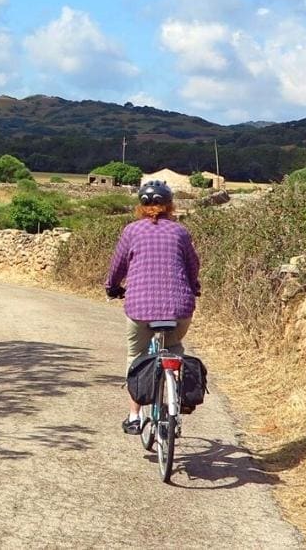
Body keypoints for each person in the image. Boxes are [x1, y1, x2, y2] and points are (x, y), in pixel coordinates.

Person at [105, 179, 201, 435]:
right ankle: (176, 400)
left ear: (141, 206)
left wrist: (111, 287)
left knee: (136, 357)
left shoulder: (132, 231)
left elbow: (117, 267)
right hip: (179, 308)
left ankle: (134, 416)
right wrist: (193, 287)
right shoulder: (180, 232)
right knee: (174, 349)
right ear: (170, 206)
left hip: (140, 308)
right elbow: (193, 266)